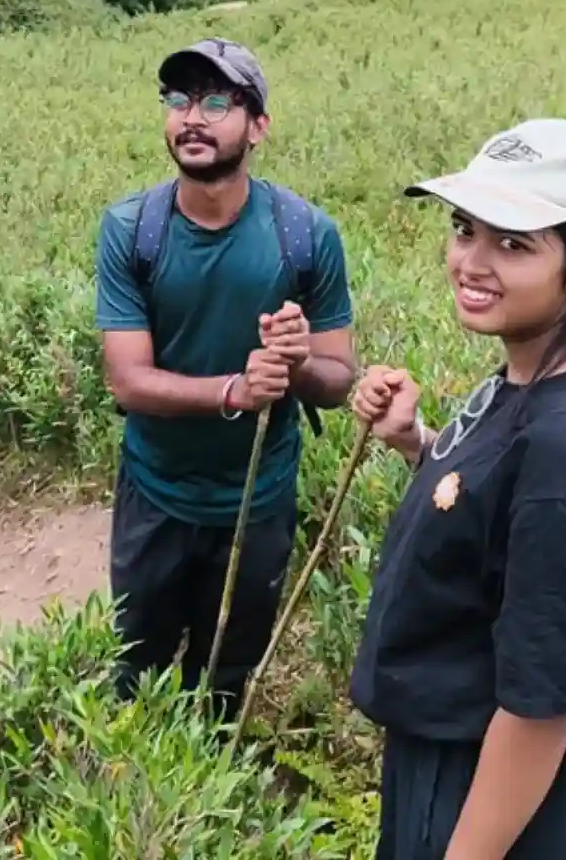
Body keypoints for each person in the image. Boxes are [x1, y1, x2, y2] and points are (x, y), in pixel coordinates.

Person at [348, 118, 566, 860]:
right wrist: (419, 445)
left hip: (499, 795)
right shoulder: (558, 372)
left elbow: (540, 706)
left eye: (514, 242)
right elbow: (510, 520)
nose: (472, 260)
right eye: (466, 228)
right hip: (482, 775)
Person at [95, 37, 356, 716]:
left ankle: (206, 805)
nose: (192, 118)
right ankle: (142, 810)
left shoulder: (304, 234)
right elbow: (127, 381)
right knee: (137, 676)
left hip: (257, 502)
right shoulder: (132, 230)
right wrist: (234, 392)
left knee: (223, 683)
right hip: (156, 494)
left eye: (217, 101)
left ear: (259, 125)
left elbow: (337, 377)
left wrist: (295, 365)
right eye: (178, 99)